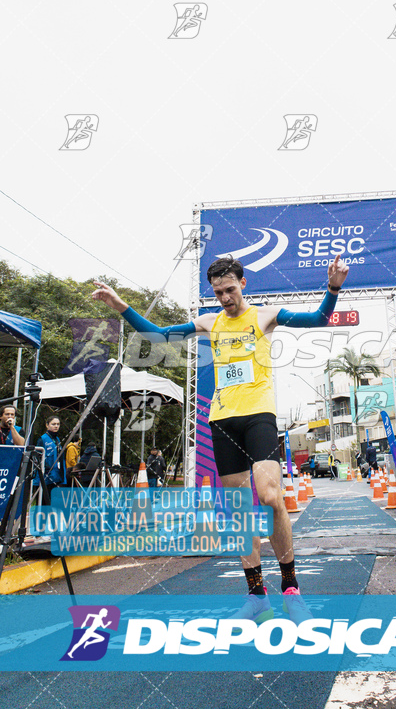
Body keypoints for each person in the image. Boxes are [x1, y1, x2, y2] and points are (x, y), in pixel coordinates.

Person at [92, 253, 349, 624]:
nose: (225, 298)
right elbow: (158, 336)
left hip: (258, 414)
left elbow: (319, 319)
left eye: (230, 289)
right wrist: (121, 307)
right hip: (222, 419)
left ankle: (291, 587)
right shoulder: (209, 322)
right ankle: (257, 595)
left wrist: (333, 288)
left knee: (270, 496)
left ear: (243, 284)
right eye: (218, 292)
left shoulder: (265, 316)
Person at [33, 417, 66, 497]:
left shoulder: (57, 439)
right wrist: (45, 468)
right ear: (47, 425)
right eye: (53, 424)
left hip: (56, 476)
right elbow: (37, 457)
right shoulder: (42, 439)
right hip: (45, 477)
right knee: (44, 501)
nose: (56, 426)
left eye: (58, 424)